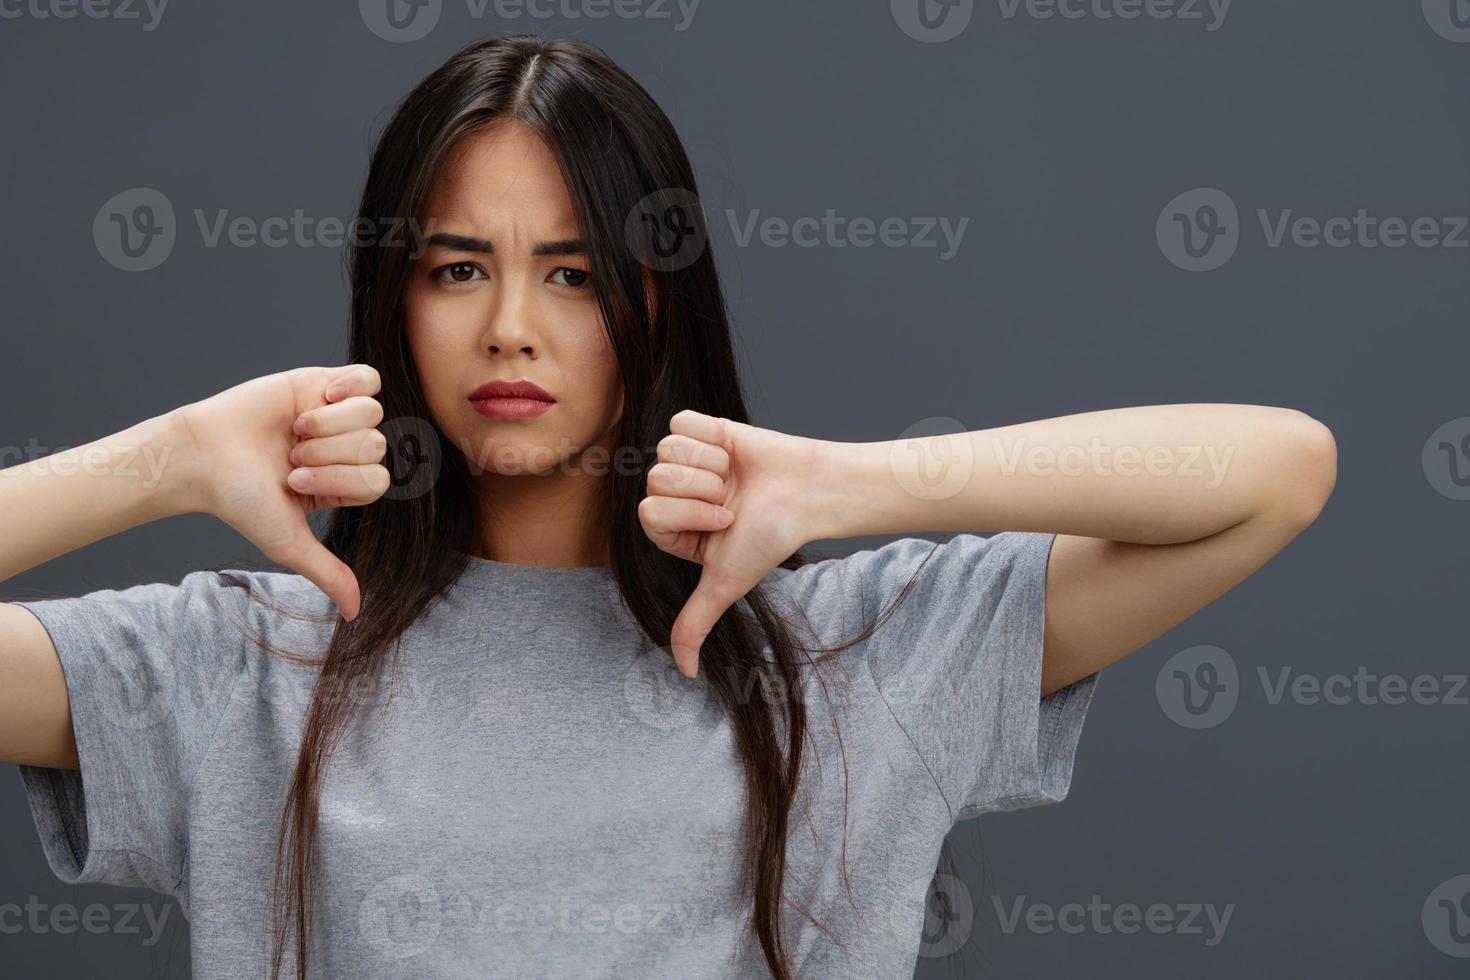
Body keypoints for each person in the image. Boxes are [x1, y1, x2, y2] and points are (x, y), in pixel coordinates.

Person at [0, 35, 1337, 980]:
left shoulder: (851, 655)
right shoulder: (242, 668)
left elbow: (1278, 470)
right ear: (394, 301)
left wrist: (853, 482)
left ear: (656, 303)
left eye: (574, 275)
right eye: (460, 268)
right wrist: (168, 459)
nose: (513, 328)